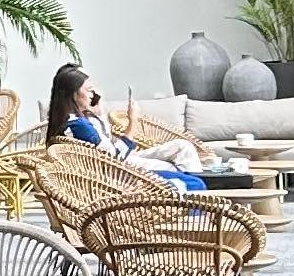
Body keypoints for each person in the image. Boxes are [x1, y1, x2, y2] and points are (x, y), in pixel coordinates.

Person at [44, 61, 206, 187]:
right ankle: (201, 196)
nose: (93, 94)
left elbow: (104, 146)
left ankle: (203, 188)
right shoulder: (79, 126)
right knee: (187, 176)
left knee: (182, 146)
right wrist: (132, 121)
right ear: (72, 93)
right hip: (120, 170)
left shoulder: (74, 121)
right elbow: (115, 157)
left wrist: (100, 115)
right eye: (88, 90)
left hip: (118, 163)